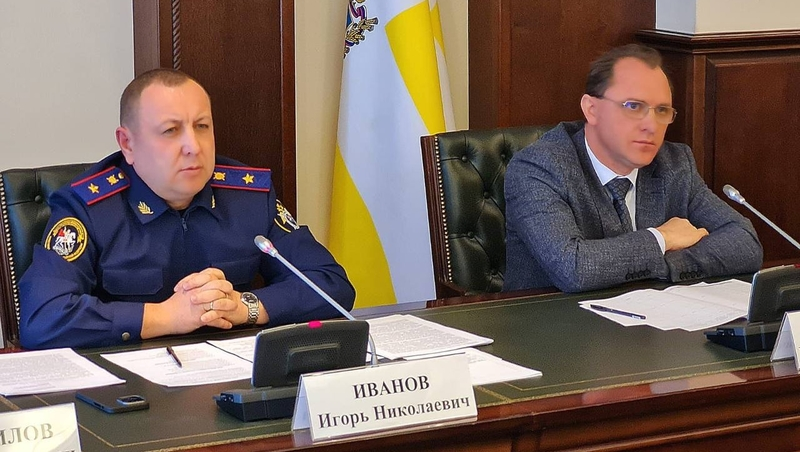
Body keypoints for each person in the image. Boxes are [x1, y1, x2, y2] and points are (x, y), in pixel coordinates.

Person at [18, 69, 355, 349]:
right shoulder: (88, 207)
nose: (193, 146)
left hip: (232, 378)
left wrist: (244, 307)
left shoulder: (248, 197)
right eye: (171, 131)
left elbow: (331, 284)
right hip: (127, 391)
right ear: (127, 144)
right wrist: (168, 316)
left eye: (202, 126)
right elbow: (43, 318)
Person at [503, 44, 763, 293]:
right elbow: (574, 268)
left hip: (651, 317)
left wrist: (663, 264)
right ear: (592, 109)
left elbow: (745, 243)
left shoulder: (674, 164)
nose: (651, 125)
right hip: (552, 318)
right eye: (634, 106)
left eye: (662, 110)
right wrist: (662, 239)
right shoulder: (538, 168)